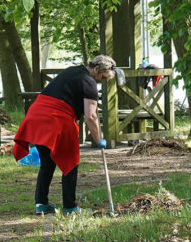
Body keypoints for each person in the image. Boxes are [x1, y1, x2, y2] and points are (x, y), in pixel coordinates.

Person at [12, 55, 116, 215]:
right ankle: (70, 207)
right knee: (70, 161)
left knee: (47, 163)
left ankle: (41, 203)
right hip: (56, 119)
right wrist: (99, 139)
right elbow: (91, 116)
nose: (101, 82)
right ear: (96, 69)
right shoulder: (89, 83)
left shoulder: (72, 71)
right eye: (102, 78)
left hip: (36, 115)